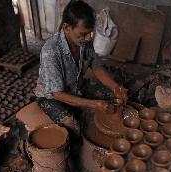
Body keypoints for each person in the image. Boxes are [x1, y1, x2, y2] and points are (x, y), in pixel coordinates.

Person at [34, 1, 127, 136]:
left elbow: (96, 67)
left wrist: (115, 87)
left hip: (77, 86)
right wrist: (94, 104)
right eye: (83, 34)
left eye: (90, 33)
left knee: (113, 97)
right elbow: (57, 93)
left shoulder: (85, 42)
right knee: (74, 127)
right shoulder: (51, 50)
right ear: (66, 28)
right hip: (52, 97)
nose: (89, 38)